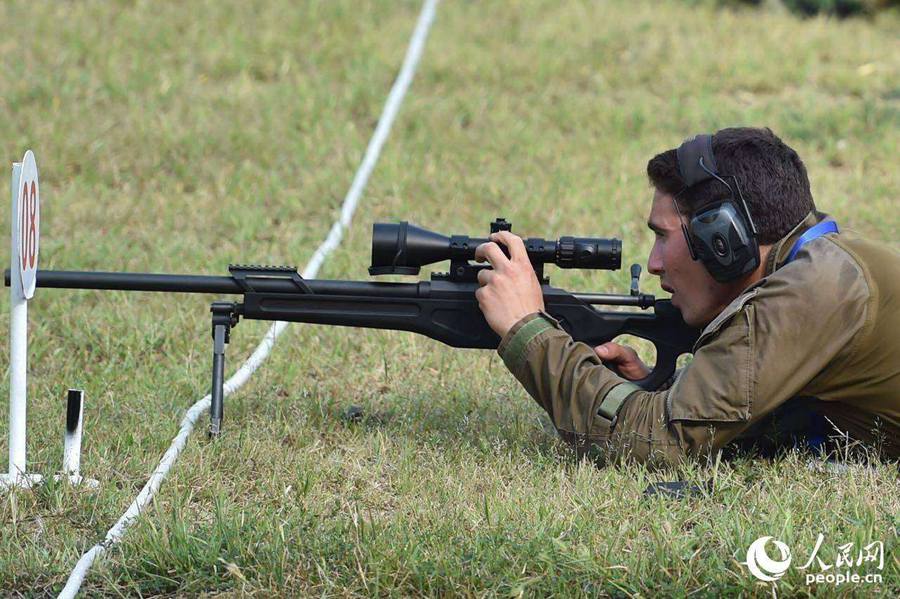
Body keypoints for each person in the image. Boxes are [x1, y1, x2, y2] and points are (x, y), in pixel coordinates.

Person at [473, 127, 899, 465]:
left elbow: (658, 442)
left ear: (722, 240)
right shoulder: (824, 264)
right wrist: (674, 390)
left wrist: (527, 328)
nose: (655, 263)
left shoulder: (815, 289)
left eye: (663, 237)